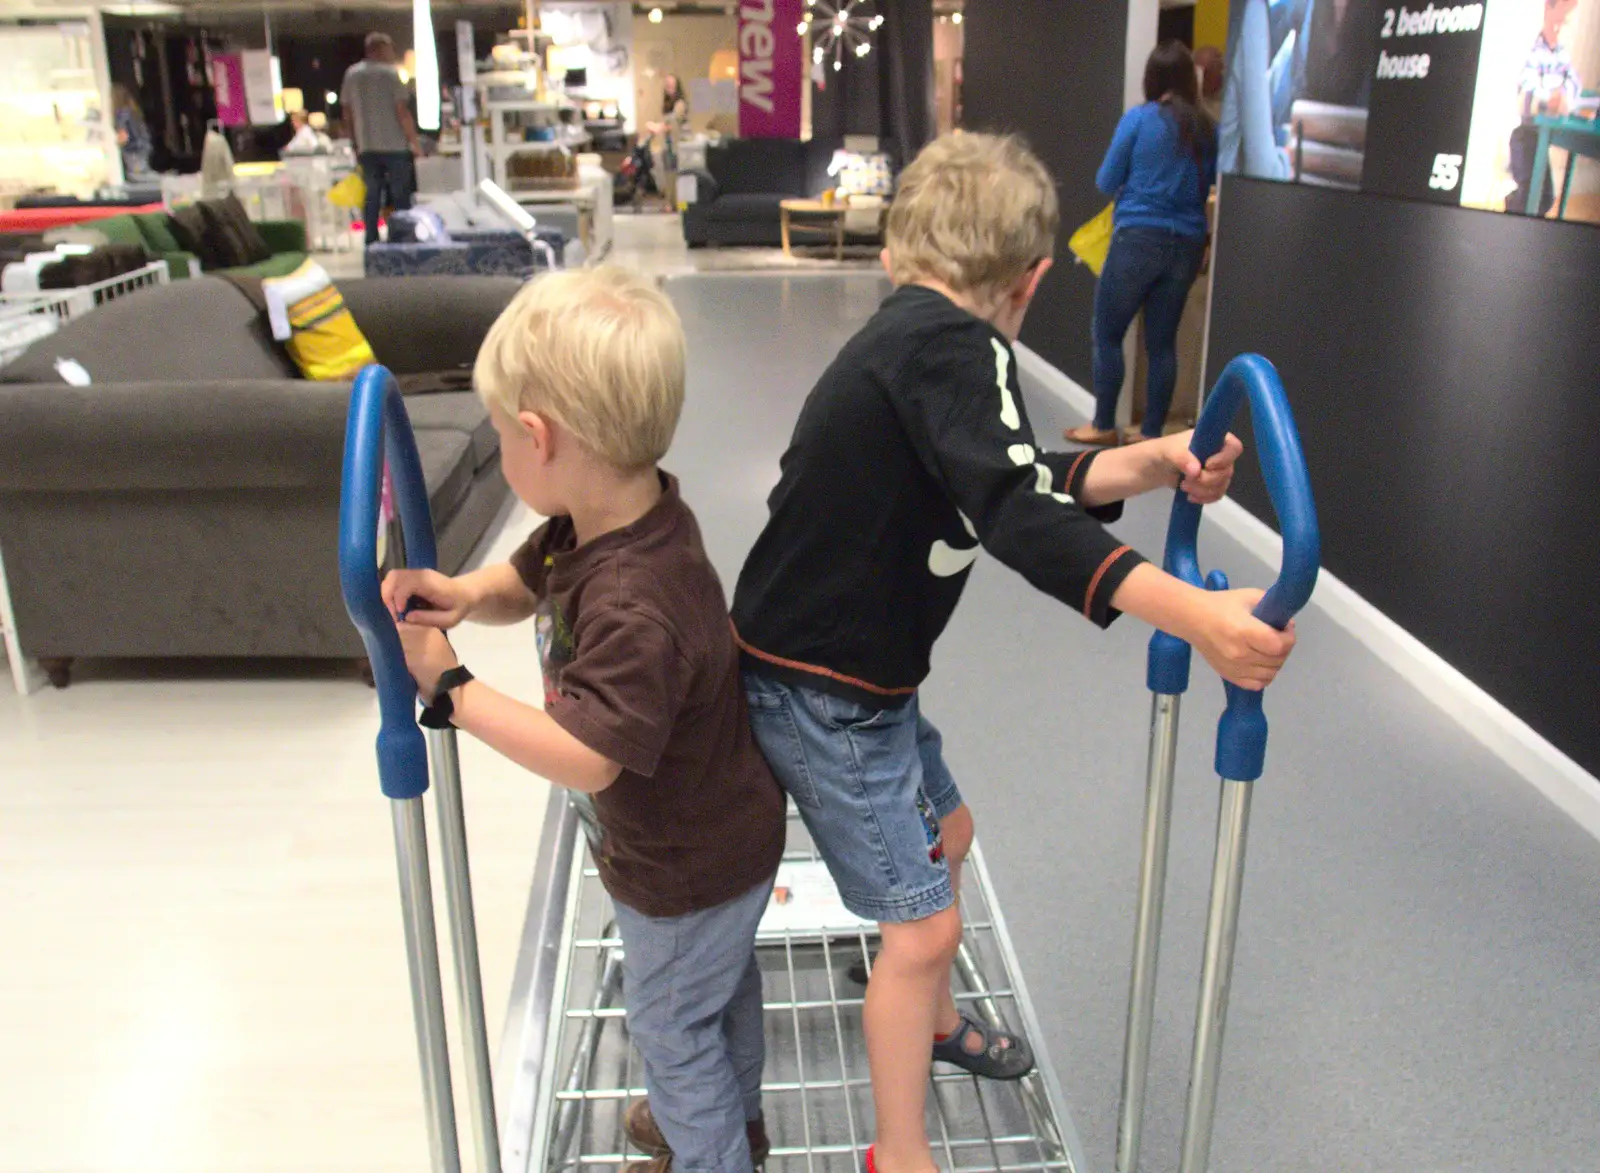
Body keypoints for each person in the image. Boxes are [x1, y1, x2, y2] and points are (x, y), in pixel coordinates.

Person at [730, 132, 1295, 1173]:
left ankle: (935, 1028)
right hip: (825, 692)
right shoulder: (952, 348)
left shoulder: (916, 340)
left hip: (852, 676)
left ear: (901, 253)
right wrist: (1198, 616)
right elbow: (1012, 512)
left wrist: (1152, 462)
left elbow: (1011, 473)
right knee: (921, 934)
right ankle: (898, 1153)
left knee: (949, 831)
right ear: (1032, 281)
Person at [385, 266, 786, 1173]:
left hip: (682, 865)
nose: (500, 445)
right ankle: (733, 1124)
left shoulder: (633, 602)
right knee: (718, 995)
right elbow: (524, 578)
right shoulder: (614, 513)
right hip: (721, 836)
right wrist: (459, 593)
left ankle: (713, 1152)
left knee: (671, 1022)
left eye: (500, 433)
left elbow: (586, 755)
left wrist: (454, 691)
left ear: (539, 436)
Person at [1068, 42, 1217, 447]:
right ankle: (1150, 431)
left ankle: (1102, 424)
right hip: (1186, 245)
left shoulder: (1139, 120)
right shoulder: (1207, 129)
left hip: (1138, 240)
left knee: (1108, 332)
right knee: (1162, 342)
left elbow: (1105, 180)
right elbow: (1211, 185)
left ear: (1151, 78)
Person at [340, 33, 423, 244]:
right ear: (379, 49)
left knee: (371, 195)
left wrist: (354, 141)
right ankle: (402, 238)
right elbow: (401, 111)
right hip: (395, 145)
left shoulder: (352, 74)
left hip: (367, 145)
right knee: (400, 195)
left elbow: (347, 112)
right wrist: (414, 141)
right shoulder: (390, 74)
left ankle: (371, 239)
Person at [1509, 0, 1585, 217]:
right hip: (1525, 135)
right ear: (1546, 9)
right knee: (1528, 199)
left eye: (1564, 20)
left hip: (1542, 135)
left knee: (1546, 198)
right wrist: (1548, 96)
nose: (1560, 26)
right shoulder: (1532, 50)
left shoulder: (1561, 53)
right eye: (1557, 19)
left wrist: (1564, 95)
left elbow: (1574, 82)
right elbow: (1527, 90)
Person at [112, 84, 153, 180]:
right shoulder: (134, 112)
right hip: (144, 149)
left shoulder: (121, 115)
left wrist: (116, 144)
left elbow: (123, 138)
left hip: (134, 154)